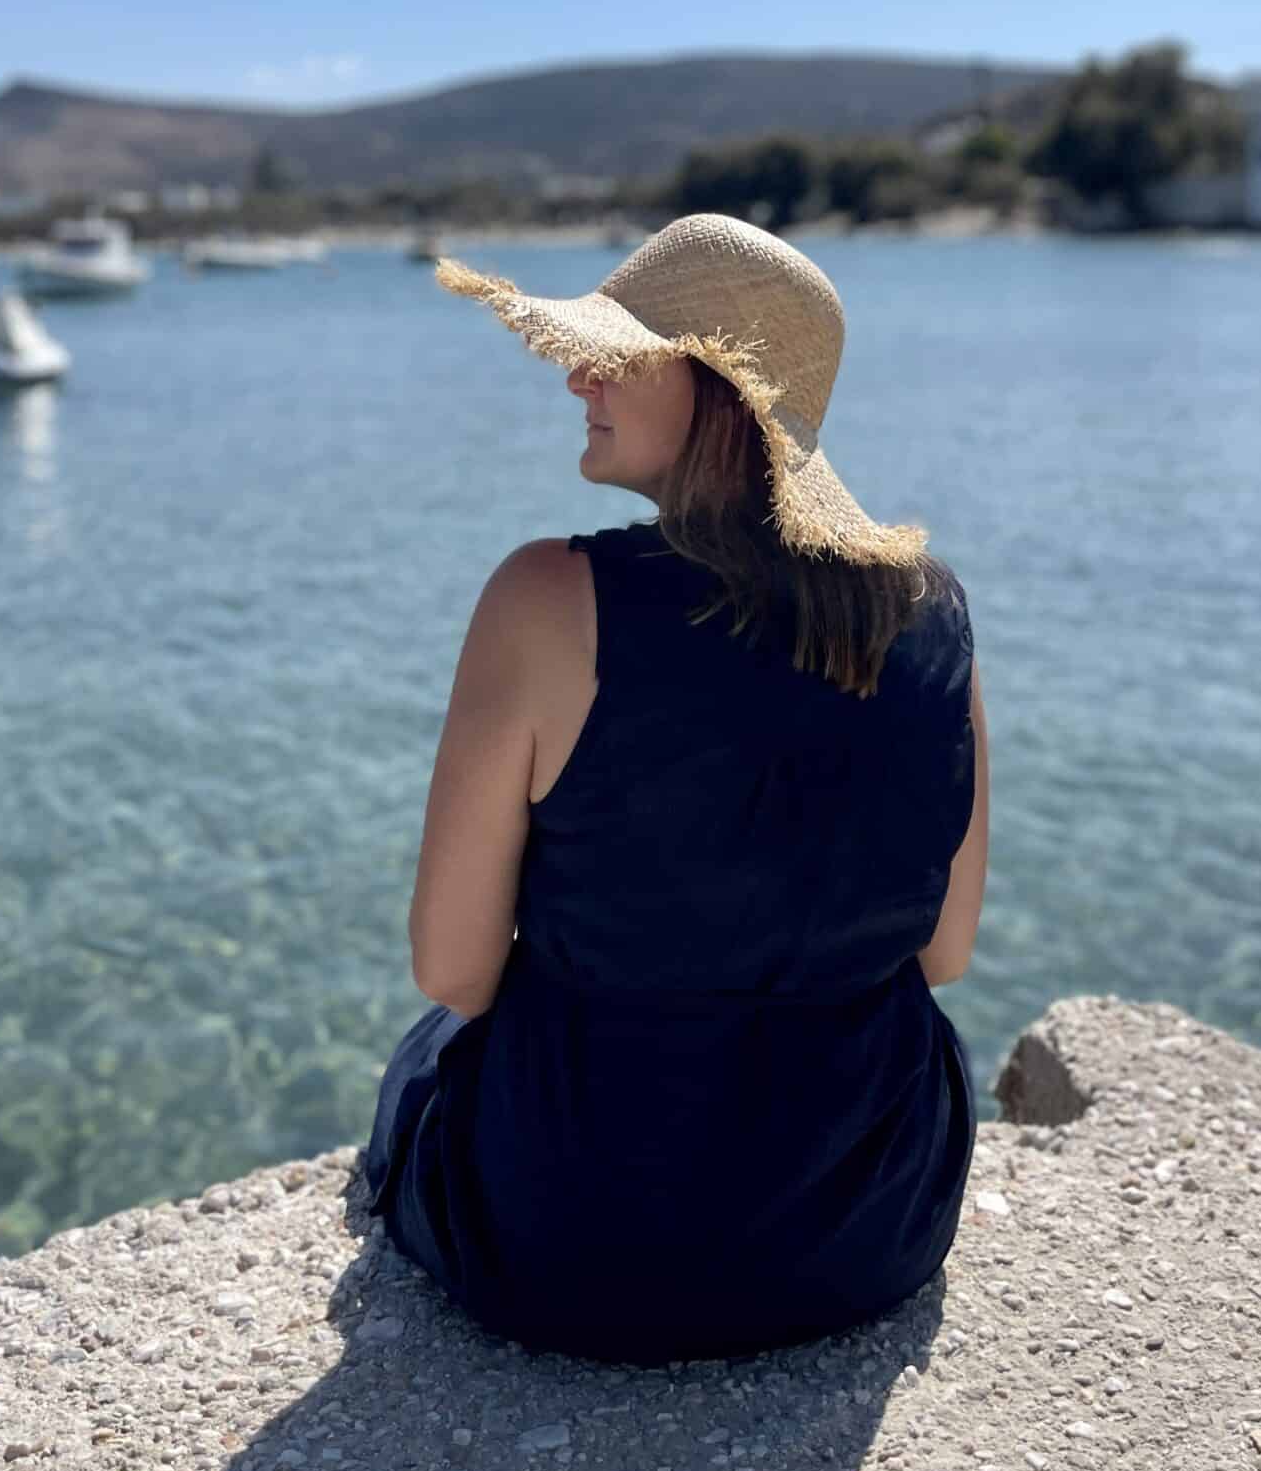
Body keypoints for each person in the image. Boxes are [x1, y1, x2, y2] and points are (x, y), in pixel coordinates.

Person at [358, 211, 988, 1365]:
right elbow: (943, 956)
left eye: (617, 351)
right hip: (869, 1225)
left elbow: (453, 970)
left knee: (422, 1051)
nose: (577, 380)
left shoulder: (548, 597)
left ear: (716, 389)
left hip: (574, 1246)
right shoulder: (930, 604)